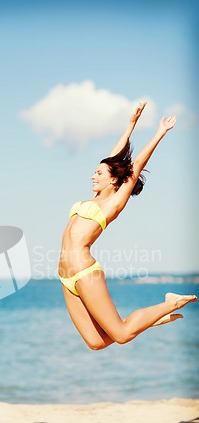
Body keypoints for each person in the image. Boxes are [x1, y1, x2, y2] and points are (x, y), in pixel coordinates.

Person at [58, 102, 197, 350]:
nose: (93, 176)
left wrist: (160, 132)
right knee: (95, 342)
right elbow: (113, 158)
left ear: (113, 180)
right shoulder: (92, 199)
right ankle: (147, 321)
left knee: (121, 335)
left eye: (99, 173)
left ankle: (170, 303)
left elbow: (136, 166)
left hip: (84, 272)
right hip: (65, 276)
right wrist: (130, 125)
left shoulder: (113, 203)